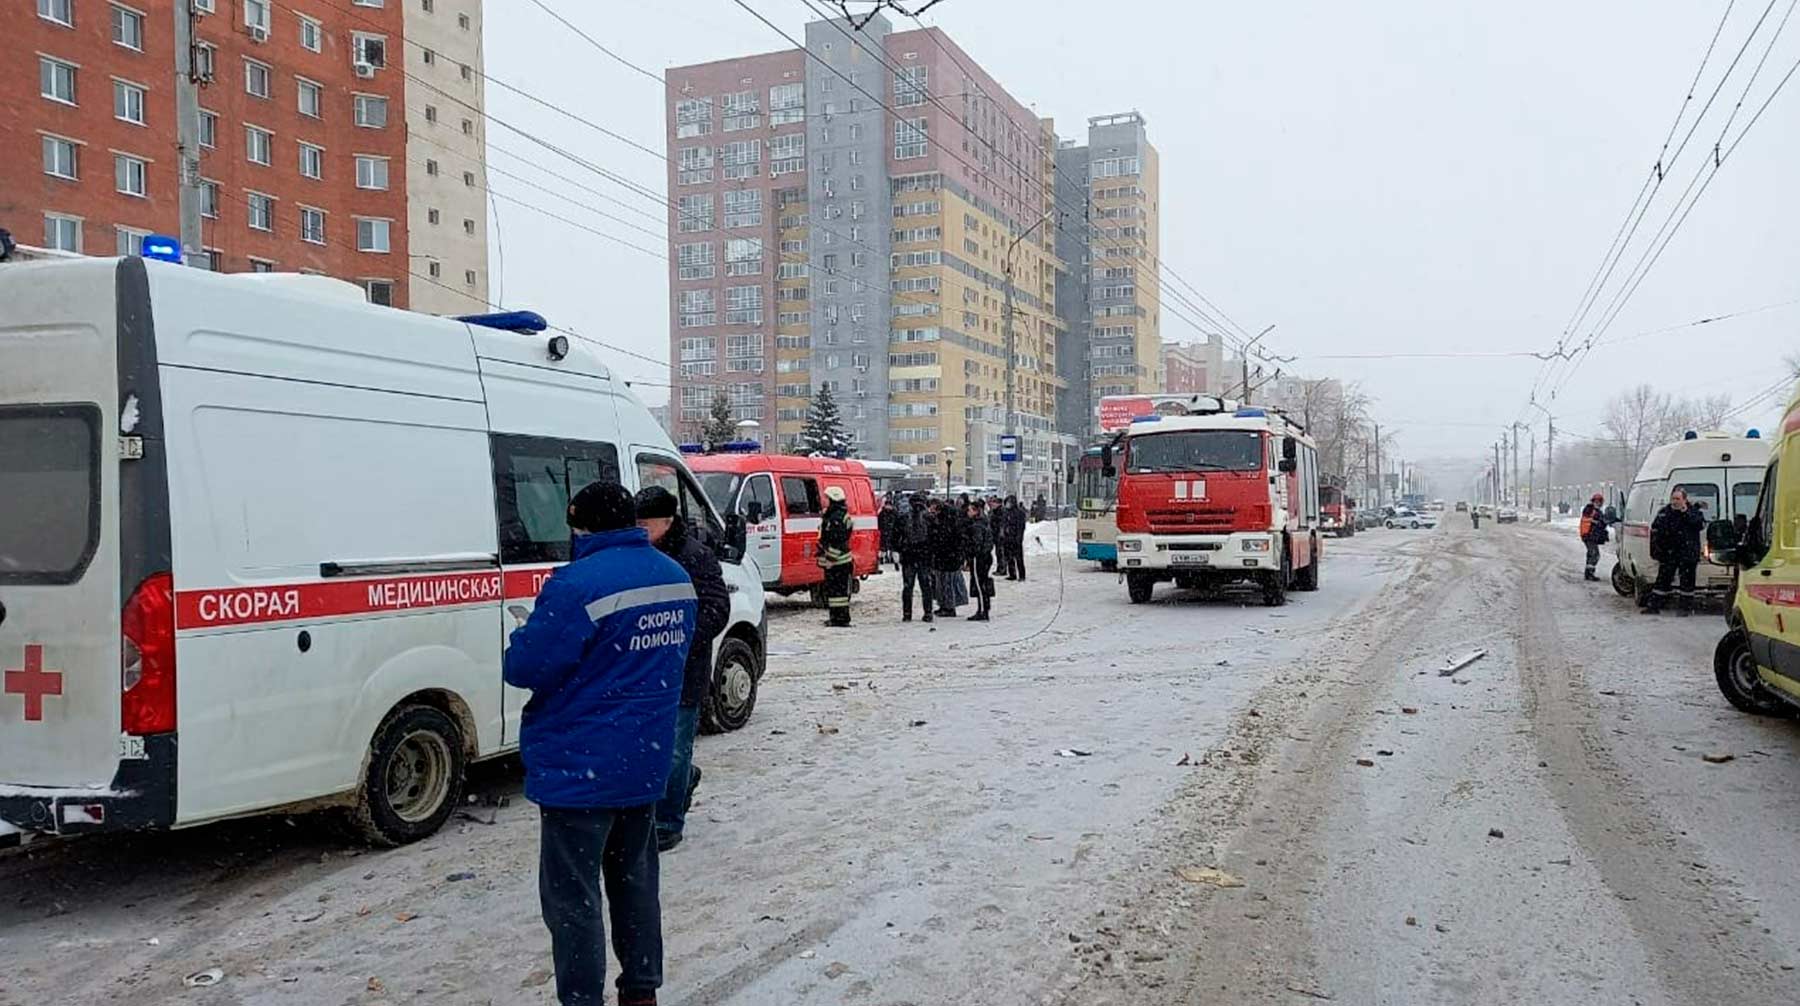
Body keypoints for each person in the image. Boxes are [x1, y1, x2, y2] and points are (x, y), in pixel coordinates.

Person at [503, 482, 698, 1006]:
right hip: (643, 763)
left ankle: (582, 999)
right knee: (635, 887)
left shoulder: (576, 585)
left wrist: (525, 634)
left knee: (573, 900)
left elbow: (524, 667)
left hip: (579, 768)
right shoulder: (674, 577)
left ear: (583, 526)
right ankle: (641, 991)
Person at [634, 487, 731, 854]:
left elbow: (716, 608)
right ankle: (685, 778)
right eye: (636, 522)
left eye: (645, 523)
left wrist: (677, 638)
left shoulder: (694, 556)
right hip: (643, 671)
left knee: (673, 748)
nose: (639, 528)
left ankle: (667, 823)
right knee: (649, 746)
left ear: (667, 520)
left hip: (682, 671)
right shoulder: (637, 555)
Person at [1644, 487, 1707, 615]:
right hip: (1669, 553)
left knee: (1687, 583)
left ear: (1684, 499)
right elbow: (1656, 529)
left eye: (1678, 499)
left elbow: (1699, 524)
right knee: (1662, 580)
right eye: (1673, 498)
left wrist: (1685, 513)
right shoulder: (1665, 512)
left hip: (1688, 553)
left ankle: (1685, 608)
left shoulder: (1693, 512)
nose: (1675, 501)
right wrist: (1659, 549)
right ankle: (1654, 606)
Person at [818, 485, 855, 627]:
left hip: (838, 561)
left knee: (837, 592)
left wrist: (830, 559)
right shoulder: (838, 514)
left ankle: (840, 619)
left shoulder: (836, 517)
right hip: (839, 560)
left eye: (828, 499)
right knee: (835, 592)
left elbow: (838, 540)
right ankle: (836, 617)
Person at [899, 492, 936, 622]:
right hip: (921, 556)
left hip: (911, 556)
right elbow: (935, 538)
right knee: (925, 585)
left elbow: (896, 537)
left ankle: (908, 614)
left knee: (910, 586)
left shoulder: (904, 517)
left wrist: (900, 550)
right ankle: (927, 612)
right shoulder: (929, 518)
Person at [929, 498, 966, 616]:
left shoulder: (946, 522)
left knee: (946, 583)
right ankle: (944, 605)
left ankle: (949, 607)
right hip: (946, 556)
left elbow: (945, 539)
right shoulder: (948, 520)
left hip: (948, 557)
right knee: (943, 583)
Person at [965, 498, 995, 620]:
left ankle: (983, 610)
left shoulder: (977, 525)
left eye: (970, 510)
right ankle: (984, 608)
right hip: (985, 556)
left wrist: (972, 554)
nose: (968, 512)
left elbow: (977, 543)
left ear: (976, 511)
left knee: (979, 584)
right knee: (983, 583)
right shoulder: (984, 522)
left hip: (979, 558)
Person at [1578, 492, 1611, 582]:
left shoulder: (1598, 511)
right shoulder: (1589, 509)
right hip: (1588, 535)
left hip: (1591, 536)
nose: (1598, 503)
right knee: (1594, 554)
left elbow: (1602, 522)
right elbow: (1589, 519)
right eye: (1596, 501)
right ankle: (1589, 573)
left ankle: (1588, 573)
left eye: (1600, 502)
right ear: (1593, 501)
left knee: (1592, 553)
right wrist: (1596, 521)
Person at [1002, 496, 1028, 581]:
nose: (1008, 504)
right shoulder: (1006, 512)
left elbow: (1021, 527)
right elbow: (1004, 524)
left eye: (1009, 502)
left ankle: (1022, 575)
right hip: (1008, 539)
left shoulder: (1019, 513)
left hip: (1016, 539)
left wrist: (1018, 538)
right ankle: (1012, 574)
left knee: (1019, 558)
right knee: (1009, 558)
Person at [877, 496, 898, 569]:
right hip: (886, 532)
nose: (888, 507)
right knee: (884, 547)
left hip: (891, 532)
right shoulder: (883, 513)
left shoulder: (885, 513)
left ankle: (895, 562)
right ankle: (882, 559)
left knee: (891, 548)